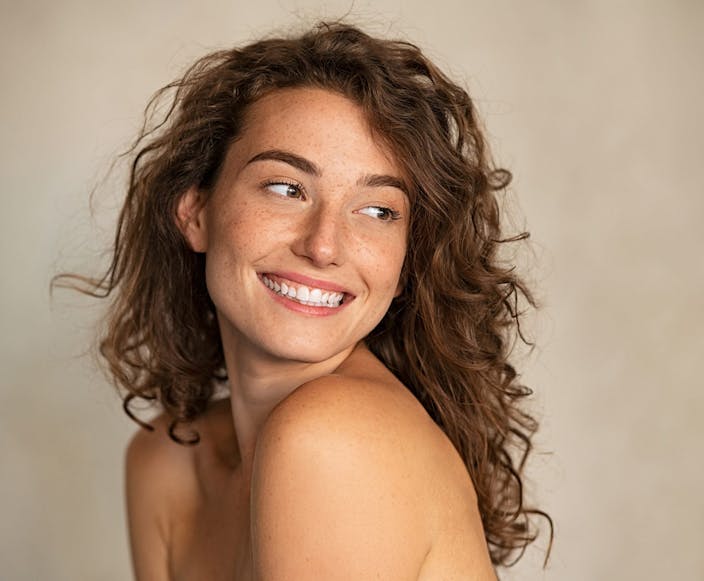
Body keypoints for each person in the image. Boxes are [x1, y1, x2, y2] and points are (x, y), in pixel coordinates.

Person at [64, 21, 551, 580]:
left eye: (377, 211)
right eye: (286, 188)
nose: (323, 246)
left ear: (404, 266)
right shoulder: (165, 460)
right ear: (196, 211)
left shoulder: (331, 439)